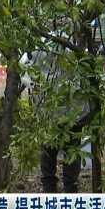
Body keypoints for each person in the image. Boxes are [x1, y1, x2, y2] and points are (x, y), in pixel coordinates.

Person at [23, 43, 89, 193]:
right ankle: (67, 188)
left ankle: (52, 188)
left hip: (53, 112)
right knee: (68, 150)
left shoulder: (38, 47)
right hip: (68, 112)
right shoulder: (74, 46)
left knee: (50, 151)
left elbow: (25, 72)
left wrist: (34, 85)